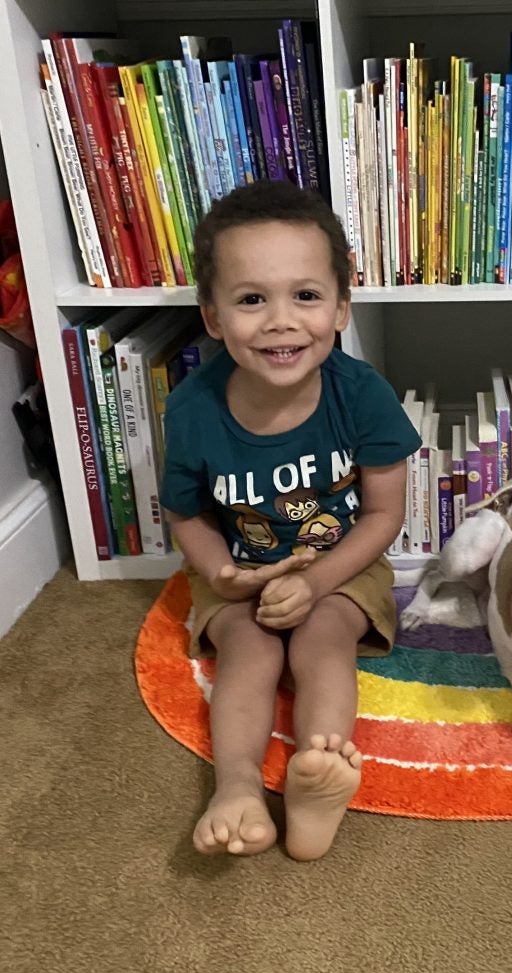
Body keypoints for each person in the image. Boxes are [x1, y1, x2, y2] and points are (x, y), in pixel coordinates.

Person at [160, 180, 421, 860]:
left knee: (322, 640)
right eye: (252, 299)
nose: (281, 320)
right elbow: (182, 511)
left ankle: (318, 770)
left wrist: (317, 582)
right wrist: (221, 570)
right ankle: (237, 786)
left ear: (340, 306)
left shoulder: (361, 395)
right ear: (213, 317)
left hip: (341, 561)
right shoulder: (192, 409)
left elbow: (385, 512)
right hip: (240, 568)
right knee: (248, 651)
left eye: (305, 296)